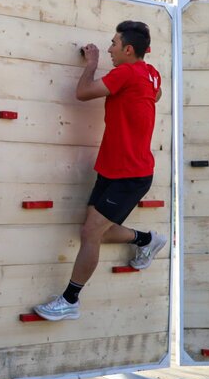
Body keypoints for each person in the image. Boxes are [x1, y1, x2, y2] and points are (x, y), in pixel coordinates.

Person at [34, 21, 166, 322]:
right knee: (95, 232)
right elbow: (155, 97)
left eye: (113, 44)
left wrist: (91, 63)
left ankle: (70, 300)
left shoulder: (126, 73)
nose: (109, 49)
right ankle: (146, 240)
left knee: (91, 232)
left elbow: (82, 93)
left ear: (128, 49)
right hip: (112, 167)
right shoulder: (151, 74)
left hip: (131, 173)